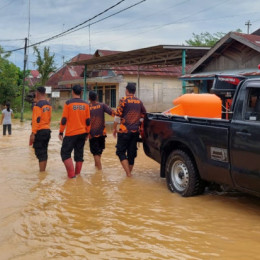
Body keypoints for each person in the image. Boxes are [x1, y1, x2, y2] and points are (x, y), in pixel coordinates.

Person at [113, 82, 146, 177]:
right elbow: (144, 115)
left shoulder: (123, 100)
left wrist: (114, 128)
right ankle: (129, 175)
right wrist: (139, 124)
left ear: (127, 91)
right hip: (135, 132)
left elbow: (117, 116)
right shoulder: (139, 101)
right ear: (134, 91)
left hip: (124, 131)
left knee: (120, 152)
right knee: (131, 154)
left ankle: (128, 174)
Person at [59, 85, 90, 178]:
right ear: (81, 92)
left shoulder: (68, 103)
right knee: (79, 155)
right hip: (82, 133)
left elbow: (64, 119)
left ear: (72, 92)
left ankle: (72, 176)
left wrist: (61, 131)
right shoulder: (86, 104)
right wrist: (87, 133)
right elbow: (88, 120)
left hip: (71, 133)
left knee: (65, 154)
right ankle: (77, 175)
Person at [89, 90, 115, 170]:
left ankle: (99, 170)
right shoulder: (102, 105)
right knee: (99, 151)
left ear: (89, 98)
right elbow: (112, 113)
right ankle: (97, 166)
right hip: (102, 133)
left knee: (95, 152)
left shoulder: (87, 107)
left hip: (92, 133)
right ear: (97, 97)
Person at [29, 86, 52, 172]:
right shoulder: (48, 105)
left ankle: (42, 172)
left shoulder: (38, 106)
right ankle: (43, 171)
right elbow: (49, 118)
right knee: (44, 152)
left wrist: (33, 133)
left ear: (37, 93)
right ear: (45, 93)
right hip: (47, 130)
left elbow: (36, 120)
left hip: (40, 131)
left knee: (40, 153)